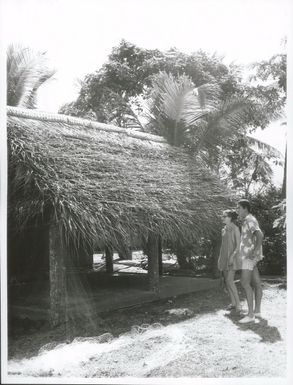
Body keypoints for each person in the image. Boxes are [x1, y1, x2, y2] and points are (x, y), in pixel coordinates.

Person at [237, 199, 264, 324]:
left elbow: (260, 235)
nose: (238, 211)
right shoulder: (248, 220)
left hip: (249, 256)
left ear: (245, 208)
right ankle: (257, 311)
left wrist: (254, 251)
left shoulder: (249, 219)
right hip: (251, 256)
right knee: (257, 283)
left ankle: (250, 314)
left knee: (244, 283)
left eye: (239, 208)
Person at [218, 210, 242, 312]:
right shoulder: (223, 229)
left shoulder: (235, 229)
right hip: (224, 258)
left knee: (230, 281)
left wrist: (232, 256)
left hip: (233, 258)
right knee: (227, 282)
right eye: (222, 216)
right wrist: (221, 259)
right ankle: (233, 303)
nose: (222, 218)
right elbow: (223, 246)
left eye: (225, 216)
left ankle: (239, 305)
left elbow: (239, 245)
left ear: (230, 218)